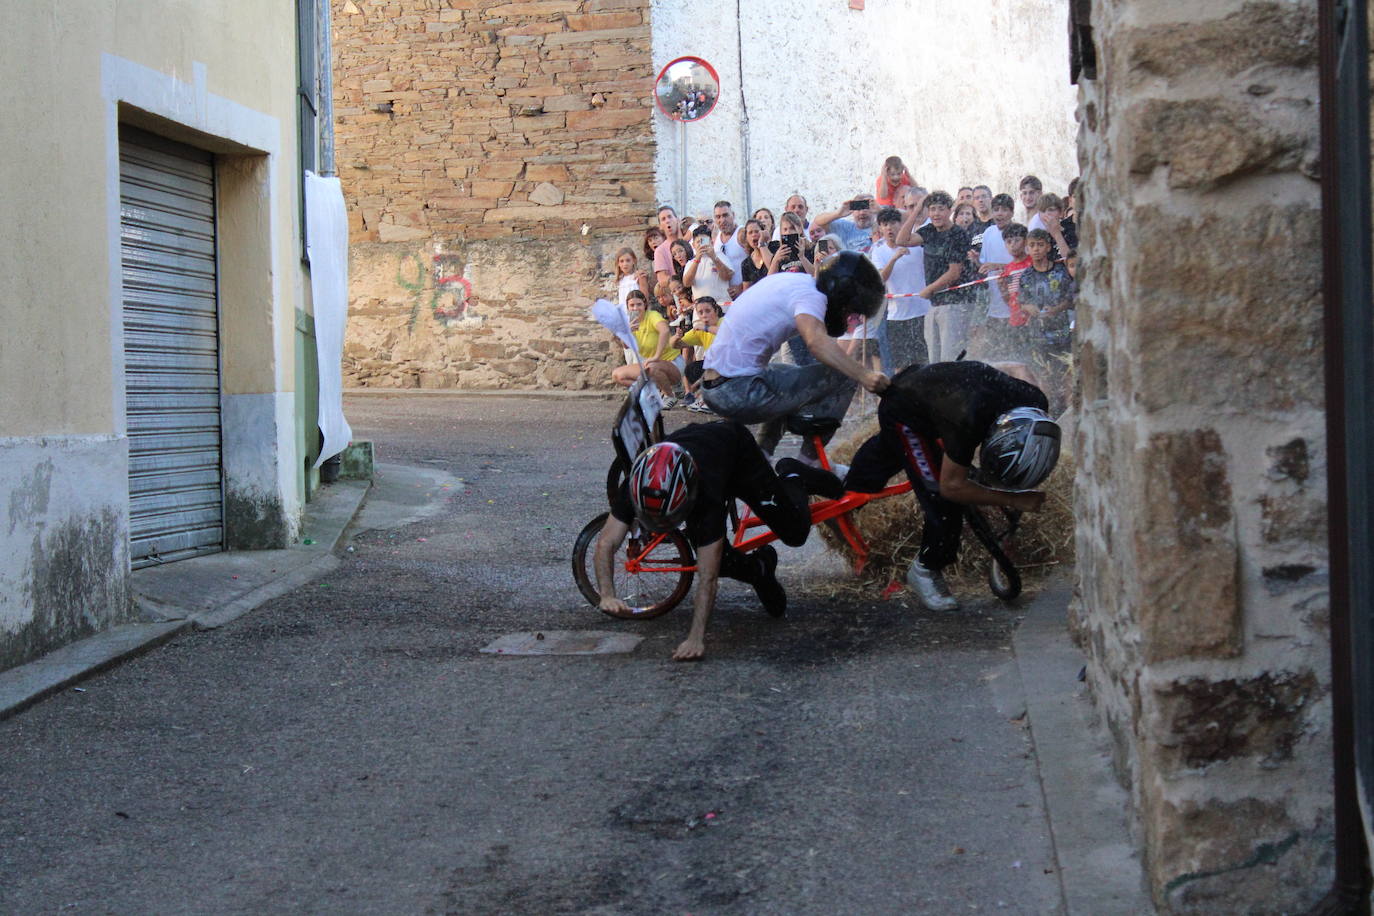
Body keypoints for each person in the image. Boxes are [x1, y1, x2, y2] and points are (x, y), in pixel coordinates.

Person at [597, 422, 843, 660]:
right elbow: (606, 543)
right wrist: (607, 594)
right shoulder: (638, 484)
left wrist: (695, 638)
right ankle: (760, 569)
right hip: (699, 453)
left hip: (736, 451)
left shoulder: (706, 496)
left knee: (795, 533)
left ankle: (792, 475)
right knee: (724, 562)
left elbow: (707, 576)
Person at [844, 361, 1060, 611]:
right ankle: (925, 569)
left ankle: (853, 480)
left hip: (926, 389)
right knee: (941, 499)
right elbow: (952, 487)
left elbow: (1020, 369)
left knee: (888, 458)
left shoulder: (1034, 401)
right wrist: (1014, 499)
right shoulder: (968, 419)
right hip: (904, 409)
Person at [699, 251, 889, 462]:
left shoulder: (796, 282)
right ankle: (809, 463)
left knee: (786, 376)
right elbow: (816, 342)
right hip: (737, 390)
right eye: (849, 312)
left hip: (714, 385)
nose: (848, 318)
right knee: (846, 376)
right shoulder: (812, 297)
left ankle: (762, 459)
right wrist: (865, 376)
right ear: (840, 296)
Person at [896, 190, 976, 363]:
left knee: (951, 359)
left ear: (949, 211)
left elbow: (954, 272)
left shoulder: (958, 234)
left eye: (940, 209)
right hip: (934, 302)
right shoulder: (929, 231)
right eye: (932, 209)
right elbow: (901, 240)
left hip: (956, 302)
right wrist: (916, 210)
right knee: (934, 359)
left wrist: (929, 289)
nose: (936, 214)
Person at [870, 207, 929, 372]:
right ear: (880, 228)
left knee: (924, 360)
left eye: (894, 223)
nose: (890, 228)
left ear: (901, 224)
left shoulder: (917, 246)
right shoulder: (879, 251)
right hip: (897, 315)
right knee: (900, 365)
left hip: (922, 311)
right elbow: (880, 279)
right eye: (885, 224)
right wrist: (894, 258)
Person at [611, 290, 684, 407]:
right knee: (617, 375)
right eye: (632, 305)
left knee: (651, 366)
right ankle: (652, 393)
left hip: (671, 363)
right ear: (628, 307)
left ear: (644, 304)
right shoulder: (630, 322)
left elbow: (664, 331)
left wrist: (656, 356)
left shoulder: (652, 315)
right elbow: (626, 346)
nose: (635, 308)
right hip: (650, 365)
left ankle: (670, 395)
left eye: (639, 304)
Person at [672, 296, 724, 412]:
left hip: (733, 365)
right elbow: (675, 345)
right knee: (692, 369)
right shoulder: (700, 329)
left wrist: (705, 327)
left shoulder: (723, 321)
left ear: (716, 311)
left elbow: (725, 333)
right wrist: (676, 337)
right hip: (715, 366)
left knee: (713, 364)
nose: (704, 315)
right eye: (700, 312)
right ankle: (698, 396)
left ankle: (710, 401)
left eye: (708, 311)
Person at [684, 224, 733, 304]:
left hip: (722, 306)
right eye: (698, 242)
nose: (702, 245)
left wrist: (714, 258)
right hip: (701, 309)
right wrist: (697, 260)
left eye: (704, 241)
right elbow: (686, 283)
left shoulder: (720, 256)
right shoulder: (690, 263)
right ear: (693, 245)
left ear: (711, 242)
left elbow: (727, 276)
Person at [813, 193, 877, 254]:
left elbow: (886, 217)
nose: (862, 213)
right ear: (853, 211)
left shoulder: (882, 226)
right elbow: (818, 221)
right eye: (858, 209)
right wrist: (838, 214)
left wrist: (880, 211)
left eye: (866, 208)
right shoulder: (845, 227)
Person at [711, 200, 748, 298]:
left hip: (744, 294)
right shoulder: (716, 237)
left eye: (725, 215)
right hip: (723, 296)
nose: (722, 220)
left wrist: (741, 287)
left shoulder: (742, 234)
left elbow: (755, 262)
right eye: (718, 217)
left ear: (733, 215)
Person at [652, 206, 689, 286]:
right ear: (660, 226)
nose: (667, 221)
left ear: (677, 220)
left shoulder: (689, 239)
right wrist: (684, 279)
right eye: (663, 219)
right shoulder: (660, 251)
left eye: (670, 217)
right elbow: (662, 279)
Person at [739, 219, 770, 290]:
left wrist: (762, 243)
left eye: (757, 231)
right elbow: (746, 292)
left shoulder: (773, 248)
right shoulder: (745, 264)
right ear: (746, 238)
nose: (754, 234)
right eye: (750, 233)